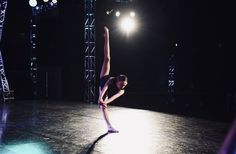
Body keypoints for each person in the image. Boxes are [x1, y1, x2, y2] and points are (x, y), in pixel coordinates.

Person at [98, 26, 128, 133]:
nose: (123, 86)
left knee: (104, 107)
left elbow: (114, 98)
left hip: (106, 94)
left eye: (124, 85)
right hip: (104, 81)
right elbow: (105, 87)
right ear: (118, 81)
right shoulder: (111, 80)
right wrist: (100, 97)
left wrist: (104, 102)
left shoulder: (122, 91)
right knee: (107, 58)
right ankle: (107, 35)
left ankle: (109, 127)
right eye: (122, 84)